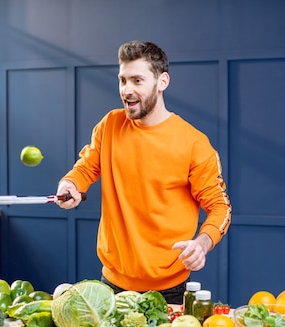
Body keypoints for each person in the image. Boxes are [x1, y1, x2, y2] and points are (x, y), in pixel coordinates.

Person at [56, 40, 231, 304]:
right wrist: (70, 184)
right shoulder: (110, 125)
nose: (127, 90)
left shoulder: (193, 143)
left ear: (162, 82)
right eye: (122, 80)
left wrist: (202, 243)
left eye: (137, 80)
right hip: (111, 284)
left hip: (170, 290)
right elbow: (87, 166)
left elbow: (220, 207)